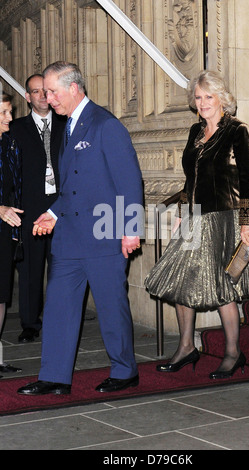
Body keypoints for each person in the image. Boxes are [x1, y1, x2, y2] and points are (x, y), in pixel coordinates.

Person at [18, 61, 143, 396]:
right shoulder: (69, 125)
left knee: (110, 306)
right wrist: (54, 214)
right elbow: (74, 184)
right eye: (44, 92)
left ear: (73, 88)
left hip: (104, 234)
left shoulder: (105, 125)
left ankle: (124, 370)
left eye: (52, 92)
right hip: (69, 238)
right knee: (59, 307)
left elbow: (129, 182)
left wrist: (131, 230)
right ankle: (55, 376)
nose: (48, 98)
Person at [145, 70, 249, 379]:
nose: (202, 103)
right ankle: (187, 347)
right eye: (198, 97)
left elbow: (248, 179)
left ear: (221, 98)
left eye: (208, 97)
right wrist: (180, 213)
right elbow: (191, 178)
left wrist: (247, 223)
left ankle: (233, 352)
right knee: (179, 281)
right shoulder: (194, 131)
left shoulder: (237, 131)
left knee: (223, 285)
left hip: (226, 219)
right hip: (194, 218)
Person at [10, 74, 66, 343]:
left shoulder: (67, 123)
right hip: (29, 209)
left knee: (61, 267)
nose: (43, 96)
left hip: (61, 207)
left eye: (46, 91)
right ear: (27, 97)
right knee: (30, 269)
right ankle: (30, 324)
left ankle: (58, 319)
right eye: (36, 92)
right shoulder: (14, 128)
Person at [0, 92, 23, 373]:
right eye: (4, 112)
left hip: (6, 228)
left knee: (2, 292)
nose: (10, 118)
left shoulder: (8, 143)